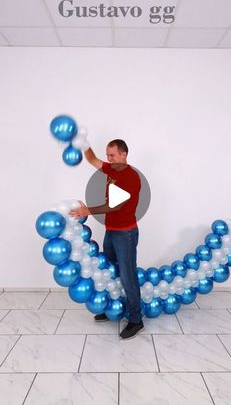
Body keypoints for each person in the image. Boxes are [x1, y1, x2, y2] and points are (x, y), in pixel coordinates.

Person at [69, 139, 144, 340]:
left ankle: (136, 319)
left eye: (112, 155)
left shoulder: (131, 177)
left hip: (125, 234)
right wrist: (83, 143)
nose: (108, 159)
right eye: (108, 155)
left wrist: (87, 210)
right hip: (111, 231)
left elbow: (114, 206)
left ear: (123, 155)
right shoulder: (112, 168)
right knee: (110, 272)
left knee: (127, 275)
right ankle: (113, 308)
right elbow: (92, 159)